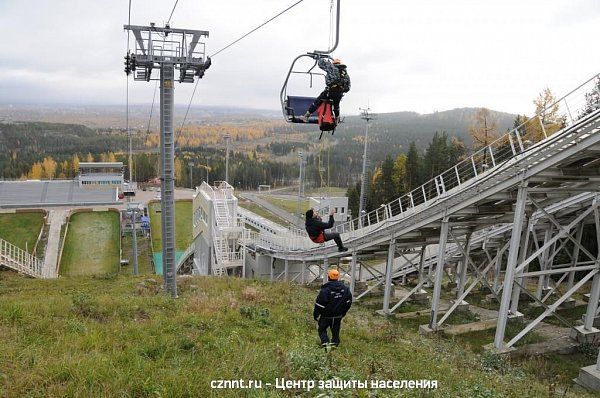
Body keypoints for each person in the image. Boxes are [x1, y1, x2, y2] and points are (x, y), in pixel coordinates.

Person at [300, 57, 351, 122]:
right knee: (336, 105)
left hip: (330, 91)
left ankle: (306, 116)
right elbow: (348, 88)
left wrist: (320, 57)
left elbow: (321, 64)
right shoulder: (346, 74)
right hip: (339, 93)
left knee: (318, 101)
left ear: (334, 63)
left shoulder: (332, 68)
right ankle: (337, 118)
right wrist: (341, 90)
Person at [313, 269, 353, 347]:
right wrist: (343, 313)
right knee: (335, 330)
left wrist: (316, 315)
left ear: (328, 277)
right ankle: (335, 344)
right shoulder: (345, 289)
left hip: (326, 316)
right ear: (338, 278)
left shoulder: (325, 290)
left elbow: (319, 305)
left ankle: (325, 344)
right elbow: (348, 302)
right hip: (338, 316)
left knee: (322, 329)